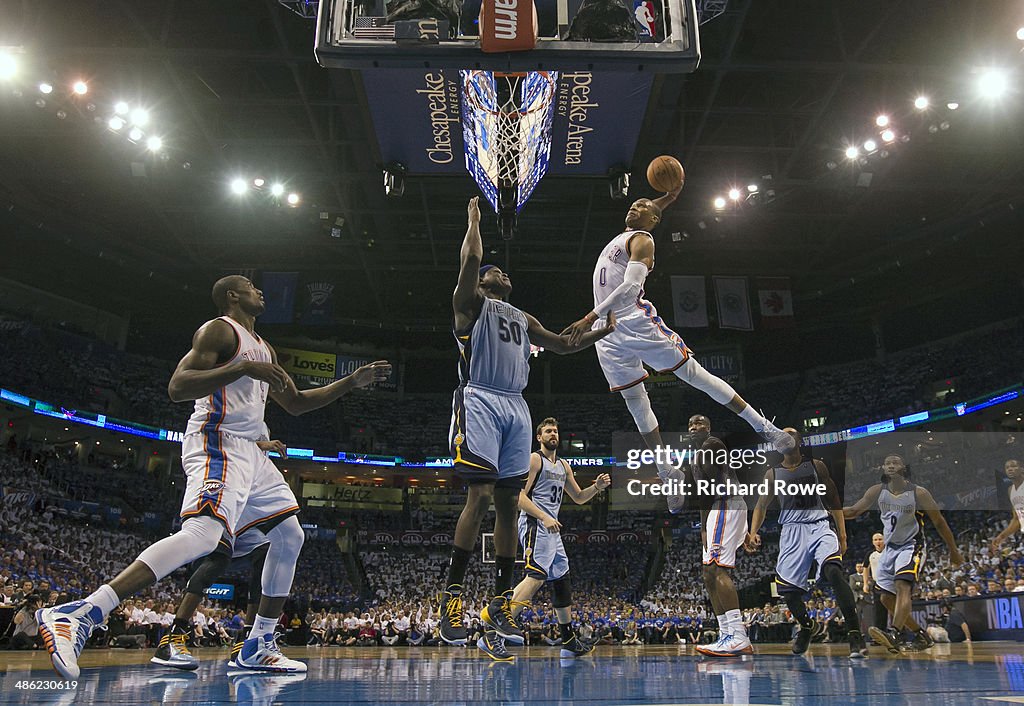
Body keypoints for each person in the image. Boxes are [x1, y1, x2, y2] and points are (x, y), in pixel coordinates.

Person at [37, 275, 392, 679]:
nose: (260, 292)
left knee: (291, 535)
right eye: (252, 287)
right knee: (204, 537)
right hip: (217, 441)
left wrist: (350, 382)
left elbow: (294, 404)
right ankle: (83, 611)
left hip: (251, 453)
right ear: (232, 295)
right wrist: (242, 367)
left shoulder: (265, 348)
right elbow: (177, 387)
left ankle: (258, 644)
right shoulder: (219, 331)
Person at [439, 196, 615, 662]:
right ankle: (451, 600)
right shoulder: (470, 304)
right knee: (478, 496)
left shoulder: (523, 318)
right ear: (482, 281)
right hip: (479, 397)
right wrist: (474, 221)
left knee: (505, 505)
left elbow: (563, 344)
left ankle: (499, 601)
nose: (505, 275)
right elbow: (472, 258)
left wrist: (601, 330)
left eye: (506, 274)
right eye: (496, 272)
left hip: (518, 407)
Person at [561, 188, 794, 512]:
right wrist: (672, 193)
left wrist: (589, 318)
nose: (635, 205)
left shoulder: (643, 240)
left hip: (629, 319)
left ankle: (764, 428)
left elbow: (630, 289)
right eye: (634, 202)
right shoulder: (631, 232)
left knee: (694, 374)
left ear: (653, 220)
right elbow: (652, 207)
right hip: (607, 331)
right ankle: (666, 472)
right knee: (635, 401)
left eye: (642, 205)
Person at [746, 428, 866, 658]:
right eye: (782, 434)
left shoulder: (816, 466)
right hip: (792, 531)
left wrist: (842, 534)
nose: (786, 436)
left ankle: (854, 635)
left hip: (819, 524)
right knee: (788, 593)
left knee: (833, 572)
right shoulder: (772, 474)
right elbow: (761, 505)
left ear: (799, 441)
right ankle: (808, 627)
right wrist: (753, 532)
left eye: (791, 433)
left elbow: (833, 500)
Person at [506, 417, 609, 658]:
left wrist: (597, 487)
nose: (554, 434)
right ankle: (495, 629)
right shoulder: (534, 459)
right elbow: (518, 496)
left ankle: (568, 638)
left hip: (552, 528)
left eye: (556, 431)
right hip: (535, 523)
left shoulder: (563, 465)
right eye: (548, 431)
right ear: (539, 437)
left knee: (562, 577)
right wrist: (543, 517)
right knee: (536, 575)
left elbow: (579, 497)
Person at [843, 454, 964, 653]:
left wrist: (953, 550)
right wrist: (827, 510)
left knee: (902, 586)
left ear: (903, 467)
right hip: (890, 549)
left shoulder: (919, 493)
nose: (891, 465)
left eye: (895, 462)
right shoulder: (876, 491)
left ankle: (895, 632)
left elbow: (939, 522)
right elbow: (853, 511)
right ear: (883, 468)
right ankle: (920, 634)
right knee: (885, 599)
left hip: (911, 545)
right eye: (887, 462)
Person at [151, 523, 272, 670]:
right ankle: (172, 637)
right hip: (224, 512)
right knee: (219, 558)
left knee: (265, 556)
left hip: (252, 518)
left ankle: (247, 641)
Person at [682, 415, 752, 657]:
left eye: (699, 424)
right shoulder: (695, 457)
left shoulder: (712, 445)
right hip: (717, 509)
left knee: (718, 568)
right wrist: (702, 528)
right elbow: (703, 495)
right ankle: (726, 633)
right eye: (690, 425)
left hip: (726, 504)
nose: (694, 428)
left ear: (708, 428)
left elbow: (712, 487)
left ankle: (738, 635)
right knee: (708, 573)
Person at [990, 459, 1023, 554]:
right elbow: (1017, 519)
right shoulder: (1011, 491)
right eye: (1007, 467)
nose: (1010, 469)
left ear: (1022, 469)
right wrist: (1002, 536)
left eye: (1013, 466)